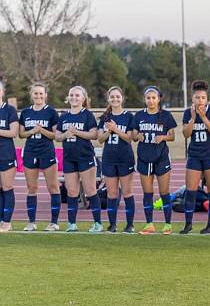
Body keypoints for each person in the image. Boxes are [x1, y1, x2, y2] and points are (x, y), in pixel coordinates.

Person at [55, 85, 102, 233]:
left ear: (83, 98)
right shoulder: (64, 116)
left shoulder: (87, 115)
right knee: (72, 192)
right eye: (71, 95)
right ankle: (72, 224)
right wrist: (65, 135)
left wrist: (76, 132)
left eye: (77, 95)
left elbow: (94, 135)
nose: (74, 98)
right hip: (69, 158)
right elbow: (57, 136)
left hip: (85, 157)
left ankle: (97, 224)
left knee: (90, 191)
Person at [131, 86, 177, 235]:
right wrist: (138, 136)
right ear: (145, 99)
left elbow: (172, 136)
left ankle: (168, 225)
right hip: (144, 157)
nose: (151, 100)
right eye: (148, 98)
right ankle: (149, 224)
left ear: (158, 99)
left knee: (164, 192)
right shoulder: (138, 116)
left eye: (153, 98)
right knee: (147, 193)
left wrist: (163, 137)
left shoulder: (165, 116)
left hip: (161, 157)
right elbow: (133, 134)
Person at [181, 80, 210, 234]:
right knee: (190, 191)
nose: (200, 100)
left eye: (203, 97)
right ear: (193, 98)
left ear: (207, 98)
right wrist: (192, 118)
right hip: (195, 155)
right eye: (197, 97)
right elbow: (186, 134)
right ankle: (188, 224)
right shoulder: (188, 112)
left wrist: (204, 117)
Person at [19, 82, 60, 231]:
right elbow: (21, 133)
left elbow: (56, 135)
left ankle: (54, 222)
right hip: (30, 152)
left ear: (45, 95)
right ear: (31, 95)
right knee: (32, 188)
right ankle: (31, 222)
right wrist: (31, 132)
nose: (38, 96)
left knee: (53, 187)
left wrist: (41, 130)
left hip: (46, 152)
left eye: (41, 93)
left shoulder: (51, 112)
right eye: (36, 93)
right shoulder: (25, 112)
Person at [97, 86, 136, 233]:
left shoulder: (128, 116)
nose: (115, 99)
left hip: (125, 158)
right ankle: (112, 225)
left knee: (127, 192)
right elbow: (100, 139)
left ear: (122, 98)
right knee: (111, 193)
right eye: (112, 97)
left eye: (117, 96)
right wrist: (109, 130)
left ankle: (130, 225)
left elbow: (129, 138)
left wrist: (116, 129)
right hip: (109, 159)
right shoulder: (105, 117)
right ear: (108, 99)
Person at [0, 81, 19, 232]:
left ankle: (7, 221)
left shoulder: (9, 110)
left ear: (2, 92)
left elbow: (13, 132)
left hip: (6, 153)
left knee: (7, 187)